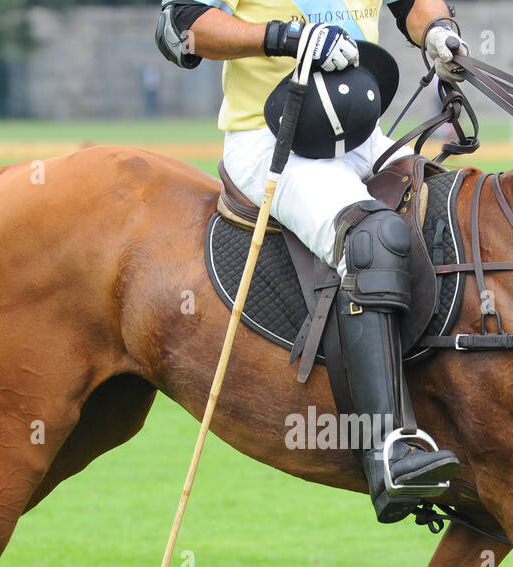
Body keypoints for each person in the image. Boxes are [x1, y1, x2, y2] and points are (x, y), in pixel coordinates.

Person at [155, 0, 469, 523]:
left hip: (360, 135)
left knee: (451, 217)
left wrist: (437, 29)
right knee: (372, 239)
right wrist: (284, 38)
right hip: (272, 139)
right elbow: (183, 28)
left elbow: (414, 4)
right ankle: (388, 449)